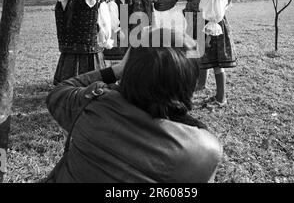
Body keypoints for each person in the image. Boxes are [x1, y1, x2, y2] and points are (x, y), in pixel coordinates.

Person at [46, 27, 223, 183]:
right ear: (189, 81)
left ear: (130, 70)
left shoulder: (92, 104)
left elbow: (59, 91)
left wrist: (117, 69)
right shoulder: (206, 149)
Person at [53, 0, 114, 85]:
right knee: (93, 89)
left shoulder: (62, 1)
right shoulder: (95, 2)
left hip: (68, 56)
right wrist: (105, 42)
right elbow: (105, 28)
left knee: (68, 90)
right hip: (91, 56)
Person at [154, 0, 207, 90]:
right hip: (190, 11)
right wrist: (158, 3)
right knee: (192, 46)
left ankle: (202, 82)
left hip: (203, 10)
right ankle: (195, 79)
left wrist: (210, 10)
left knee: (200, 46)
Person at [198, 0, 237, 107]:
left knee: (217, 64)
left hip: (214, 28)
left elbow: (214, 16)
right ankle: (219, 96)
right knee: (216, 64)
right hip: (214, 26)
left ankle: (221, 99)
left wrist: (207, 37)